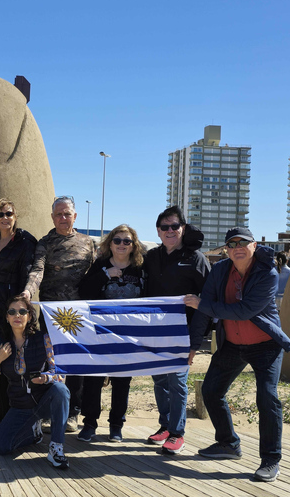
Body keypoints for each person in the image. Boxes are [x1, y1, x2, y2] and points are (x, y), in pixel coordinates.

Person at [186, 227, 290, 483]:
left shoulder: (267, 271)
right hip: (232, 343)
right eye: (231, 244)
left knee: (267, 397)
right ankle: (228, 443)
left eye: (243, 242)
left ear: (254, 245)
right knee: (210, 390)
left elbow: (244, 311)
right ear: (226, 250)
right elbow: (203, 312)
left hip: (265, 344)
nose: (238, 247)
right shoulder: (220, 270)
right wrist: (193, 345)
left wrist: (203, 304)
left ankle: (270, 460)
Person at [24, 196, 94, 432]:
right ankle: (49, 411)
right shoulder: (45, 243)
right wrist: (28, 291)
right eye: (58, 214)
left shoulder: (88, 242)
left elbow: (96, 276)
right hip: (51, 314)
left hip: (78, 315)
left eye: (67, 214)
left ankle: (73, 413)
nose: (63, 218)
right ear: (52, 217)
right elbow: (37, 271)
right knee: (50, 363)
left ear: (75, 216)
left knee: (75, 365)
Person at [143, 205, 209, 454]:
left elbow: (208, 300)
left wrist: (196, 341)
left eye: (175, 226)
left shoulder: (196, 259)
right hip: (154, 332)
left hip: (183, 332)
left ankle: (178, 433)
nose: (170, 231)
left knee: (177, 382)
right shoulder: (151, 257)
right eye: (165, 227)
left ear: (183, 229)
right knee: (159, 380)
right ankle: (165, 426)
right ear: (158, 232)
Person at [0, 295, 70, 469]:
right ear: (7, 317)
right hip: (20, 406)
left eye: (22, 311)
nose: (17, 315)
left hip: (44, 401)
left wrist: (46, 378)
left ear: (29, 315)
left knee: (61, 390)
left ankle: (56, 447)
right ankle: (33, 433)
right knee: (1, 447)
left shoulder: (43, 339)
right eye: (12, 312)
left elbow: (59, 372)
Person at [77, 224, 146, 443]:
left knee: (122, 381)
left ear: (134, 245)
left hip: (127, 335)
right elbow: (85, 290)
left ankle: (116, 425)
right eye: (117, 240)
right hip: (100, 334)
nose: (122, 245)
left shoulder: (140, 268)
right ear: (110, 243)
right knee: (93, 381)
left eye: (127, 241)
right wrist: (106, 275)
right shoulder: (100, 265)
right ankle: (89, 424)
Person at [0, 198, 37, 429]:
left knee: (13, 369)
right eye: (1, 214)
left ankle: (13, 415)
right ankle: (0, 410)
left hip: (13, 317)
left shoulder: (24, 242)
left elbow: (27, 277)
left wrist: (20, 311)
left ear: (15, 216)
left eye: (9, 214)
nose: (5, 218)